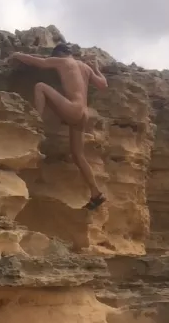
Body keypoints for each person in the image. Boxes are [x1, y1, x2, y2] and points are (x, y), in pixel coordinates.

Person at [11, 41, 108, 210]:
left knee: (40, 86)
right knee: (78, 155)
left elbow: (39, 62)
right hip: (83, 113)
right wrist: (97, 67)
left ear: (59, 54)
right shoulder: (85, 67)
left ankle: (36, 121)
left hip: (73, 109)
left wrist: (17, 55)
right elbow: (103, 85)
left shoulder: (62, 61)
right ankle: (96, 193)